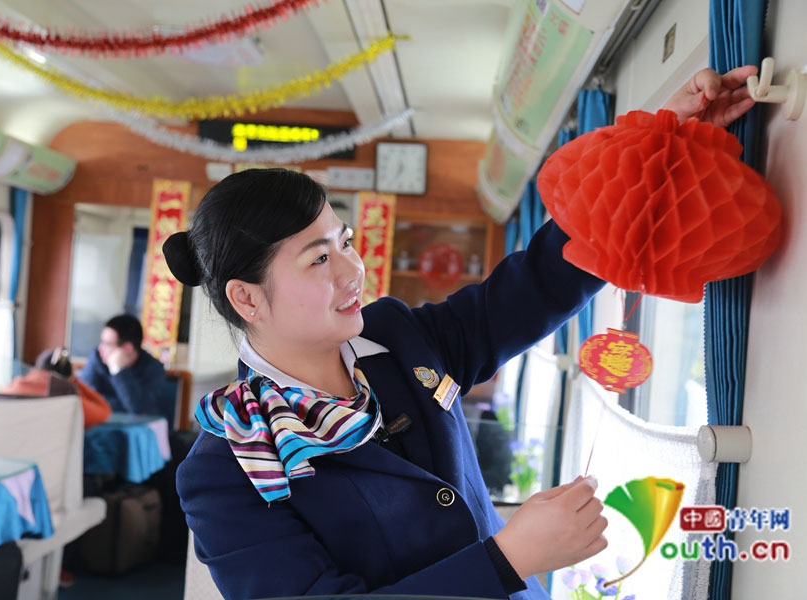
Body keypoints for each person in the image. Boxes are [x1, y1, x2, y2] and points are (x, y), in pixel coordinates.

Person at [168, 67, 757, 599]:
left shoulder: (396, 338)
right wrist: (511, 557)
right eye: (319, 260)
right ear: (246, 298)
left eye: (345, 243)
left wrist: (649, 154)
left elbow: (532, 287)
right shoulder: (227, 469)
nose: (354, 271)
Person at [77, 314, 174, 417]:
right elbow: (84, 399)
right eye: (102, 342)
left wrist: (118, 370)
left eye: (107, 344)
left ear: (128, 348)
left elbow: (139, 409)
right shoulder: (97, 357)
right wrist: (123, 405)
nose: (101, 348)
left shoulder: (154, 370)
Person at [0, 347, 112, 428]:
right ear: (68, 375)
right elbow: (104, 412)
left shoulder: (9, 389)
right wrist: (74, 381)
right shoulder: (65, 397)